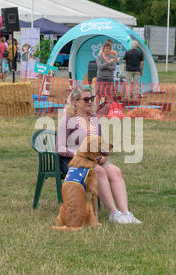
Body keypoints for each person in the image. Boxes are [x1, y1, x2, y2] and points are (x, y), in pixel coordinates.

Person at [57, 85, 142, 224]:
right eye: (86, 99)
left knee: (116, 172)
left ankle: (126, 213)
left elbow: (101, 144)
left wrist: (103, 154)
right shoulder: (66, 120)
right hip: (72, 161)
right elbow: (60, 148)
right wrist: (83, 154)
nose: (90, 102)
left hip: (94, 159)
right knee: (99, 172)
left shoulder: (95, 120)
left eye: (91, 98)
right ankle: (114, 214)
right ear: (75, 101)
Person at [96, 41, 117, 107]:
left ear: (110, 49)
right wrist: (108, 62)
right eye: (106, 48)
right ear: (103, 49)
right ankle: (96, 109)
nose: (107, 49)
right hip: (100, 78)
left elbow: (113, 68)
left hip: (109, 78)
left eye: (109, 48)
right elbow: (100, 67)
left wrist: (105, 66)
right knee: (99, 94)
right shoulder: (99, 57)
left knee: (110, 94)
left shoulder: (113, 57)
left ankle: (109, 109)